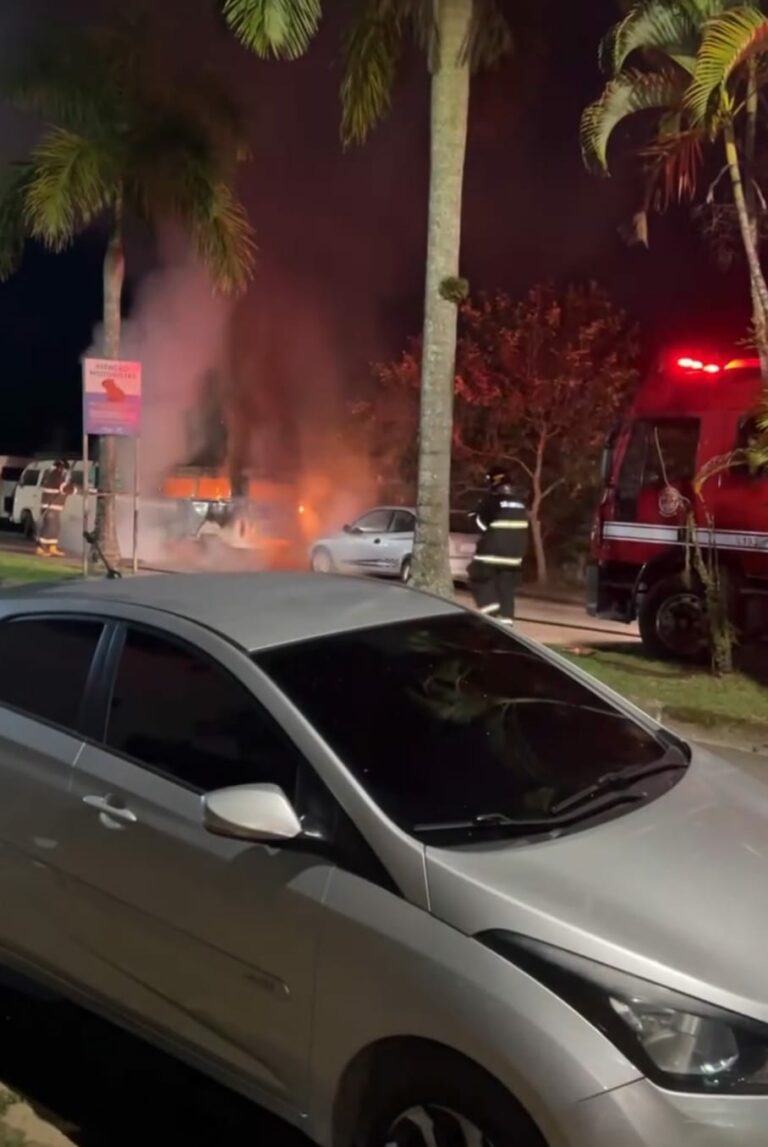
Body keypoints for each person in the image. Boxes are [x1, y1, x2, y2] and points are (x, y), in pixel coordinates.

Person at [468, 465, 529, 624]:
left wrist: (485, 530)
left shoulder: (492, 501)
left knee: (477, 577)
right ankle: (507, 626)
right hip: (514, 557)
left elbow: (476, 520)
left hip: (491, 552)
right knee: (506, 590)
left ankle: (491, 616)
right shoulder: (520, 504)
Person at [37, 459, 70, 557]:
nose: (65, 472)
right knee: (49, 527)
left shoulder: (55, 474)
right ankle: (40, 548)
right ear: (60, 467)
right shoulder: (55, 475)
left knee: (55, 527)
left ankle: (52, 547)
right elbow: (63, 487)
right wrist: (73, 489)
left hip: (55, 506)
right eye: (65, 469)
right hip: (50, 506)